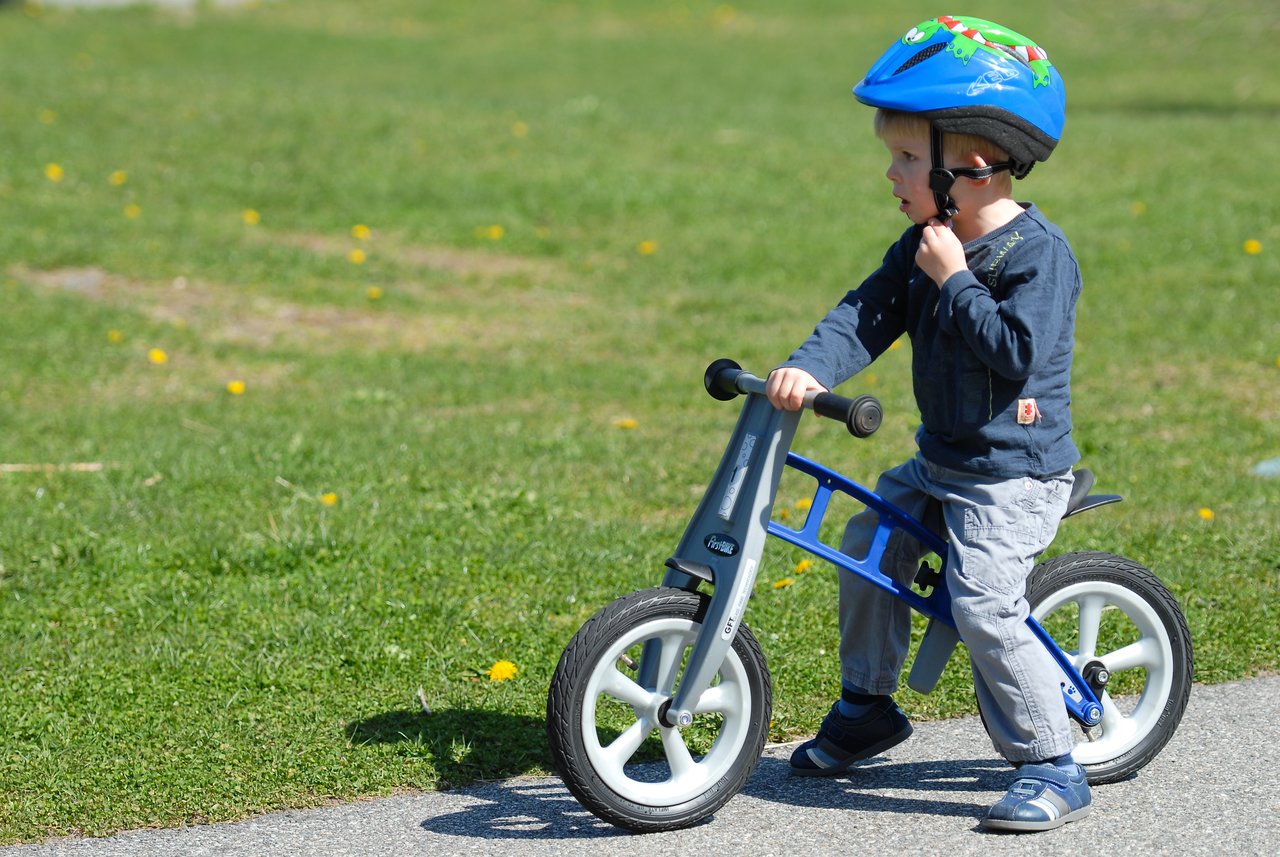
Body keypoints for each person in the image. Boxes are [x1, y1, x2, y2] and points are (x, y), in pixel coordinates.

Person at [765, 16, 1091, 833]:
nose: (891, 172)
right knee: (867, 545)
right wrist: (811, 367)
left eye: (910, 158)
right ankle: (868, 707)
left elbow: (1014, 353)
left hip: (1014, 475)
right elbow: (866, 313)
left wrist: (954, 280)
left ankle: (1052, 759)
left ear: (974, 170)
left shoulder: (1035, 257)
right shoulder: (923, 242)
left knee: (983, 604)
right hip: (942, 462)